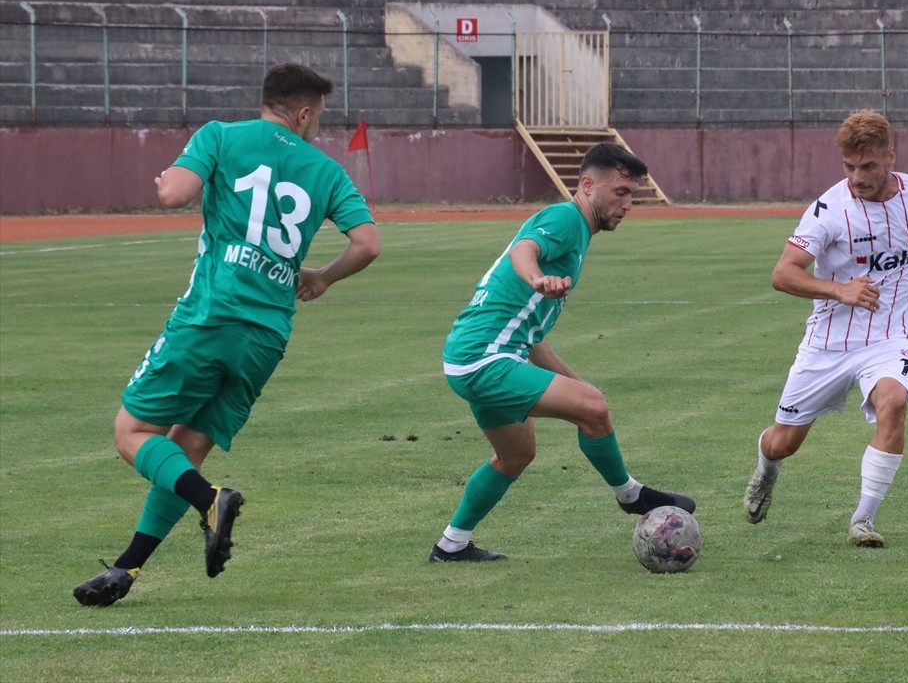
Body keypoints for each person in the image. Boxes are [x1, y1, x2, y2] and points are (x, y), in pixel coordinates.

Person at [72, 63, 382, 606]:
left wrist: (168, 179)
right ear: (303, 113)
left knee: (132, 433)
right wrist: (322, 278)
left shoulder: (220, 135)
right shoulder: (328, 171)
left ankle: (211, 500)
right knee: (186, 451)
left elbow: (174, 195)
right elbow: (368, 244)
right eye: (318, 116)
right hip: (266, 338)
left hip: (210, 318)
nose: (317, 125)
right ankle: (126, 569)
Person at [433, 142, 694, 562]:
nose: (628, 204)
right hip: (484, 359)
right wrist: (537, 278)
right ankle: (630, 495)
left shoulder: (578, 232)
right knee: (592, 408)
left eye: (633, 195)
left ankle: (451, 545)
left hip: (479, 355)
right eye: (620, 192)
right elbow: (523, 251)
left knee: (516, 455)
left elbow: (532, 336)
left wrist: (578, 384)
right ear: (588, 185)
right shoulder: (567, 219)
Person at [743, 110, 908, 547]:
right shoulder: (829, 209)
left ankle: (863, 520)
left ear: (890, 156)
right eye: (849, 167)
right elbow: (783, 273)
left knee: (894, 403)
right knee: (784, 443)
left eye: (867, 166)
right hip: (828, 344)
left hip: (892, 337)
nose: (857, 177)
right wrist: (840, 290)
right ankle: (766, 468)